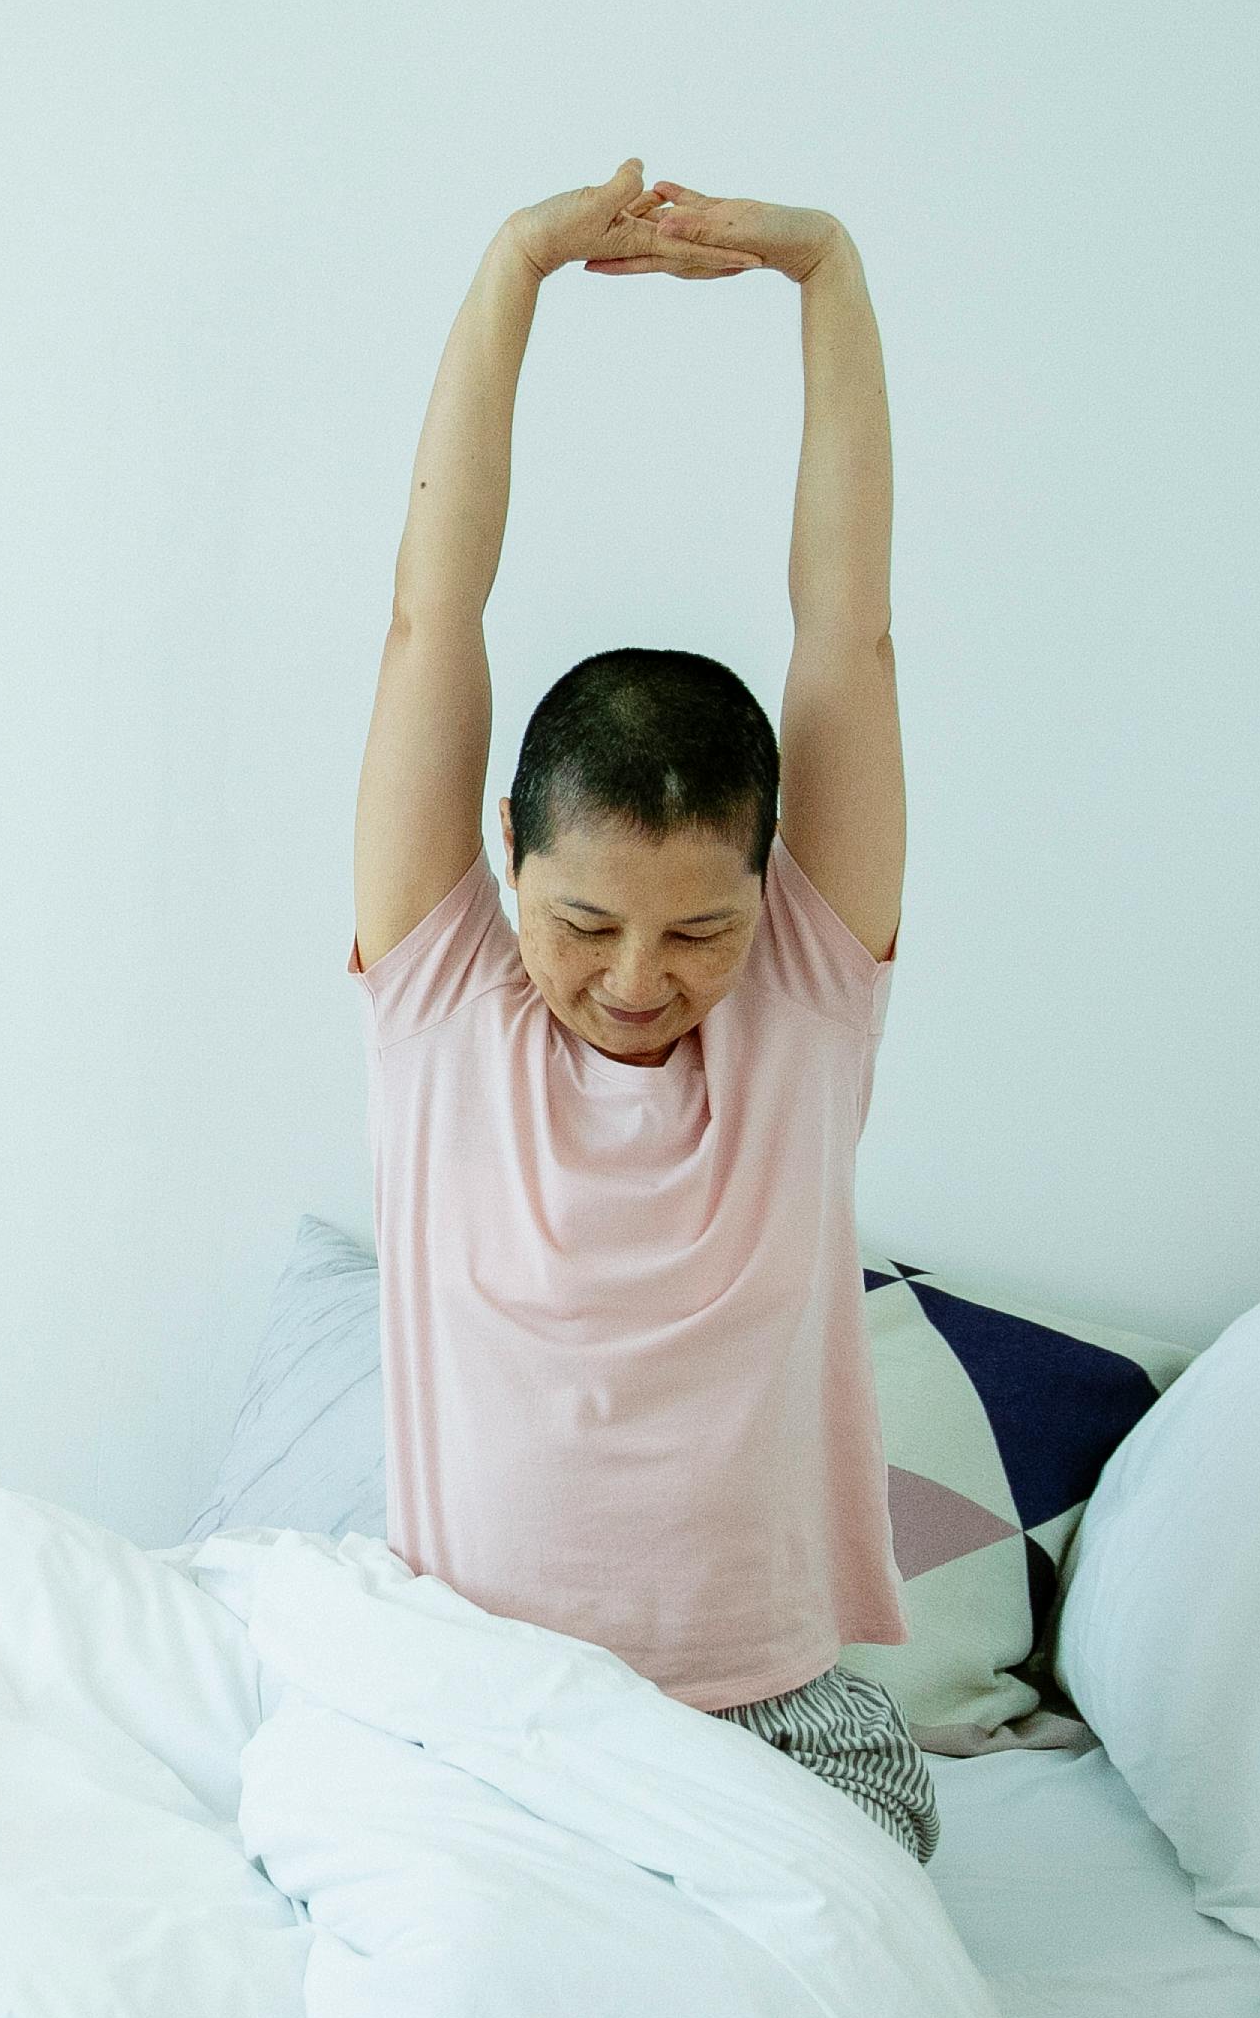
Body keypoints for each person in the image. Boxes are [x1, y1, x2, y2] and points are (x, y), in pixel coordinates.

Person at [347, 157, 931, 1860]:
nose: (633, 983)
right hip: (478, 1697)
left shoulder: (810, 1003)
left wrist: (830, 278)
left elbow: (852, 638)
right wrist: (515, 267)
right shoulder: (444, 994)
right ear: (502, 862)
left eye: (698, 932)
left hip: (767, 1714)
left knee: (802, 1968)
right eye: (586, 920)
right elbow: (425, 617)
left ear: (775, 891)